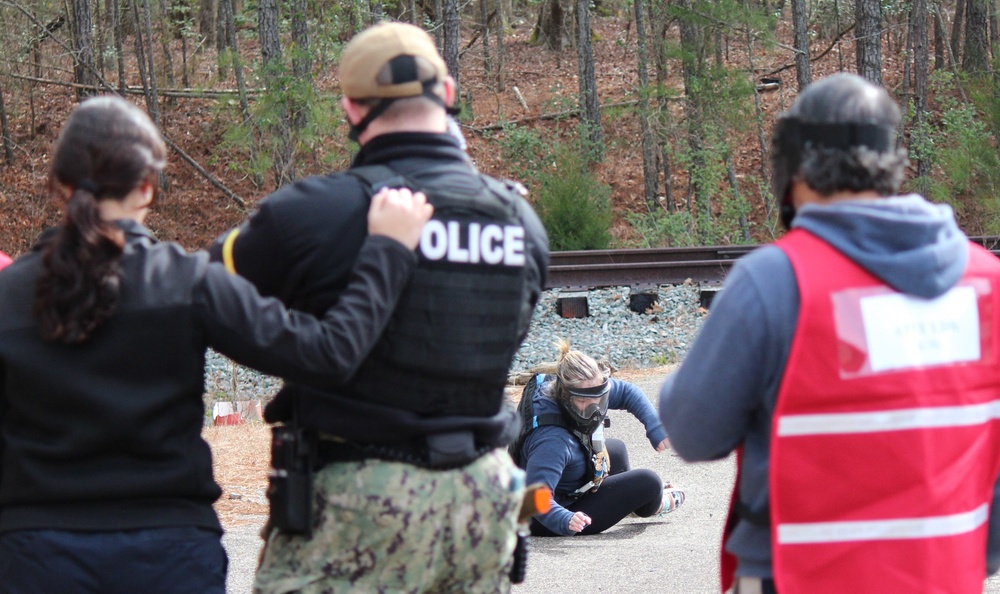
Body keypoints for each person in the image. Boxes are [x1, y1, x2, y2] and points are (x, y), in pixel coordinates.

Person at [0, 95, 432, 593]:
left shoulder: (10, 296)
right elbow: (329, 354)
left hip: (33, 556)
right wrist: (388, 250)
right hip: (169, 556)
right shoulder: (188, 282)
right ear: (147, 187)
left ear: (59, 186)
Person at [207, 21, 549, 594]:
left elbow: (208, 290)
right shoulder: (522, 223)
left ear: (350, 108)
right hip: (483, 503)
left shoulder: (310, 214)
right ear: (447, 93)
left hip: (355, 504)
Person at [659, 73, 1000, 594]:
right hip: (943, 576)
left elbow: (692, 433)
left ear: (793, 167)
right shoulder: (987, 284)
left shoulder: (774, 281)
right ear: (891, 161)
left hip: (799, 576)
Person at [515, 340, 685, 536]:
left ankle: (630, 502)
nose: (594, 407)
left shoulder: (584, 391)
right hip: (549, 517)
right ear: (564, 395)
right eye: (583, 401)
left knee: (617, 451)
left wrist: (655, 427)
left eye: (600, 399)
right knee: (649, 482)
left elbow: (628, 392)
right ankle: (653, 505)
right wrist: (565, 519)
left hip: (566, 484)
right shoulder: (552, 440)